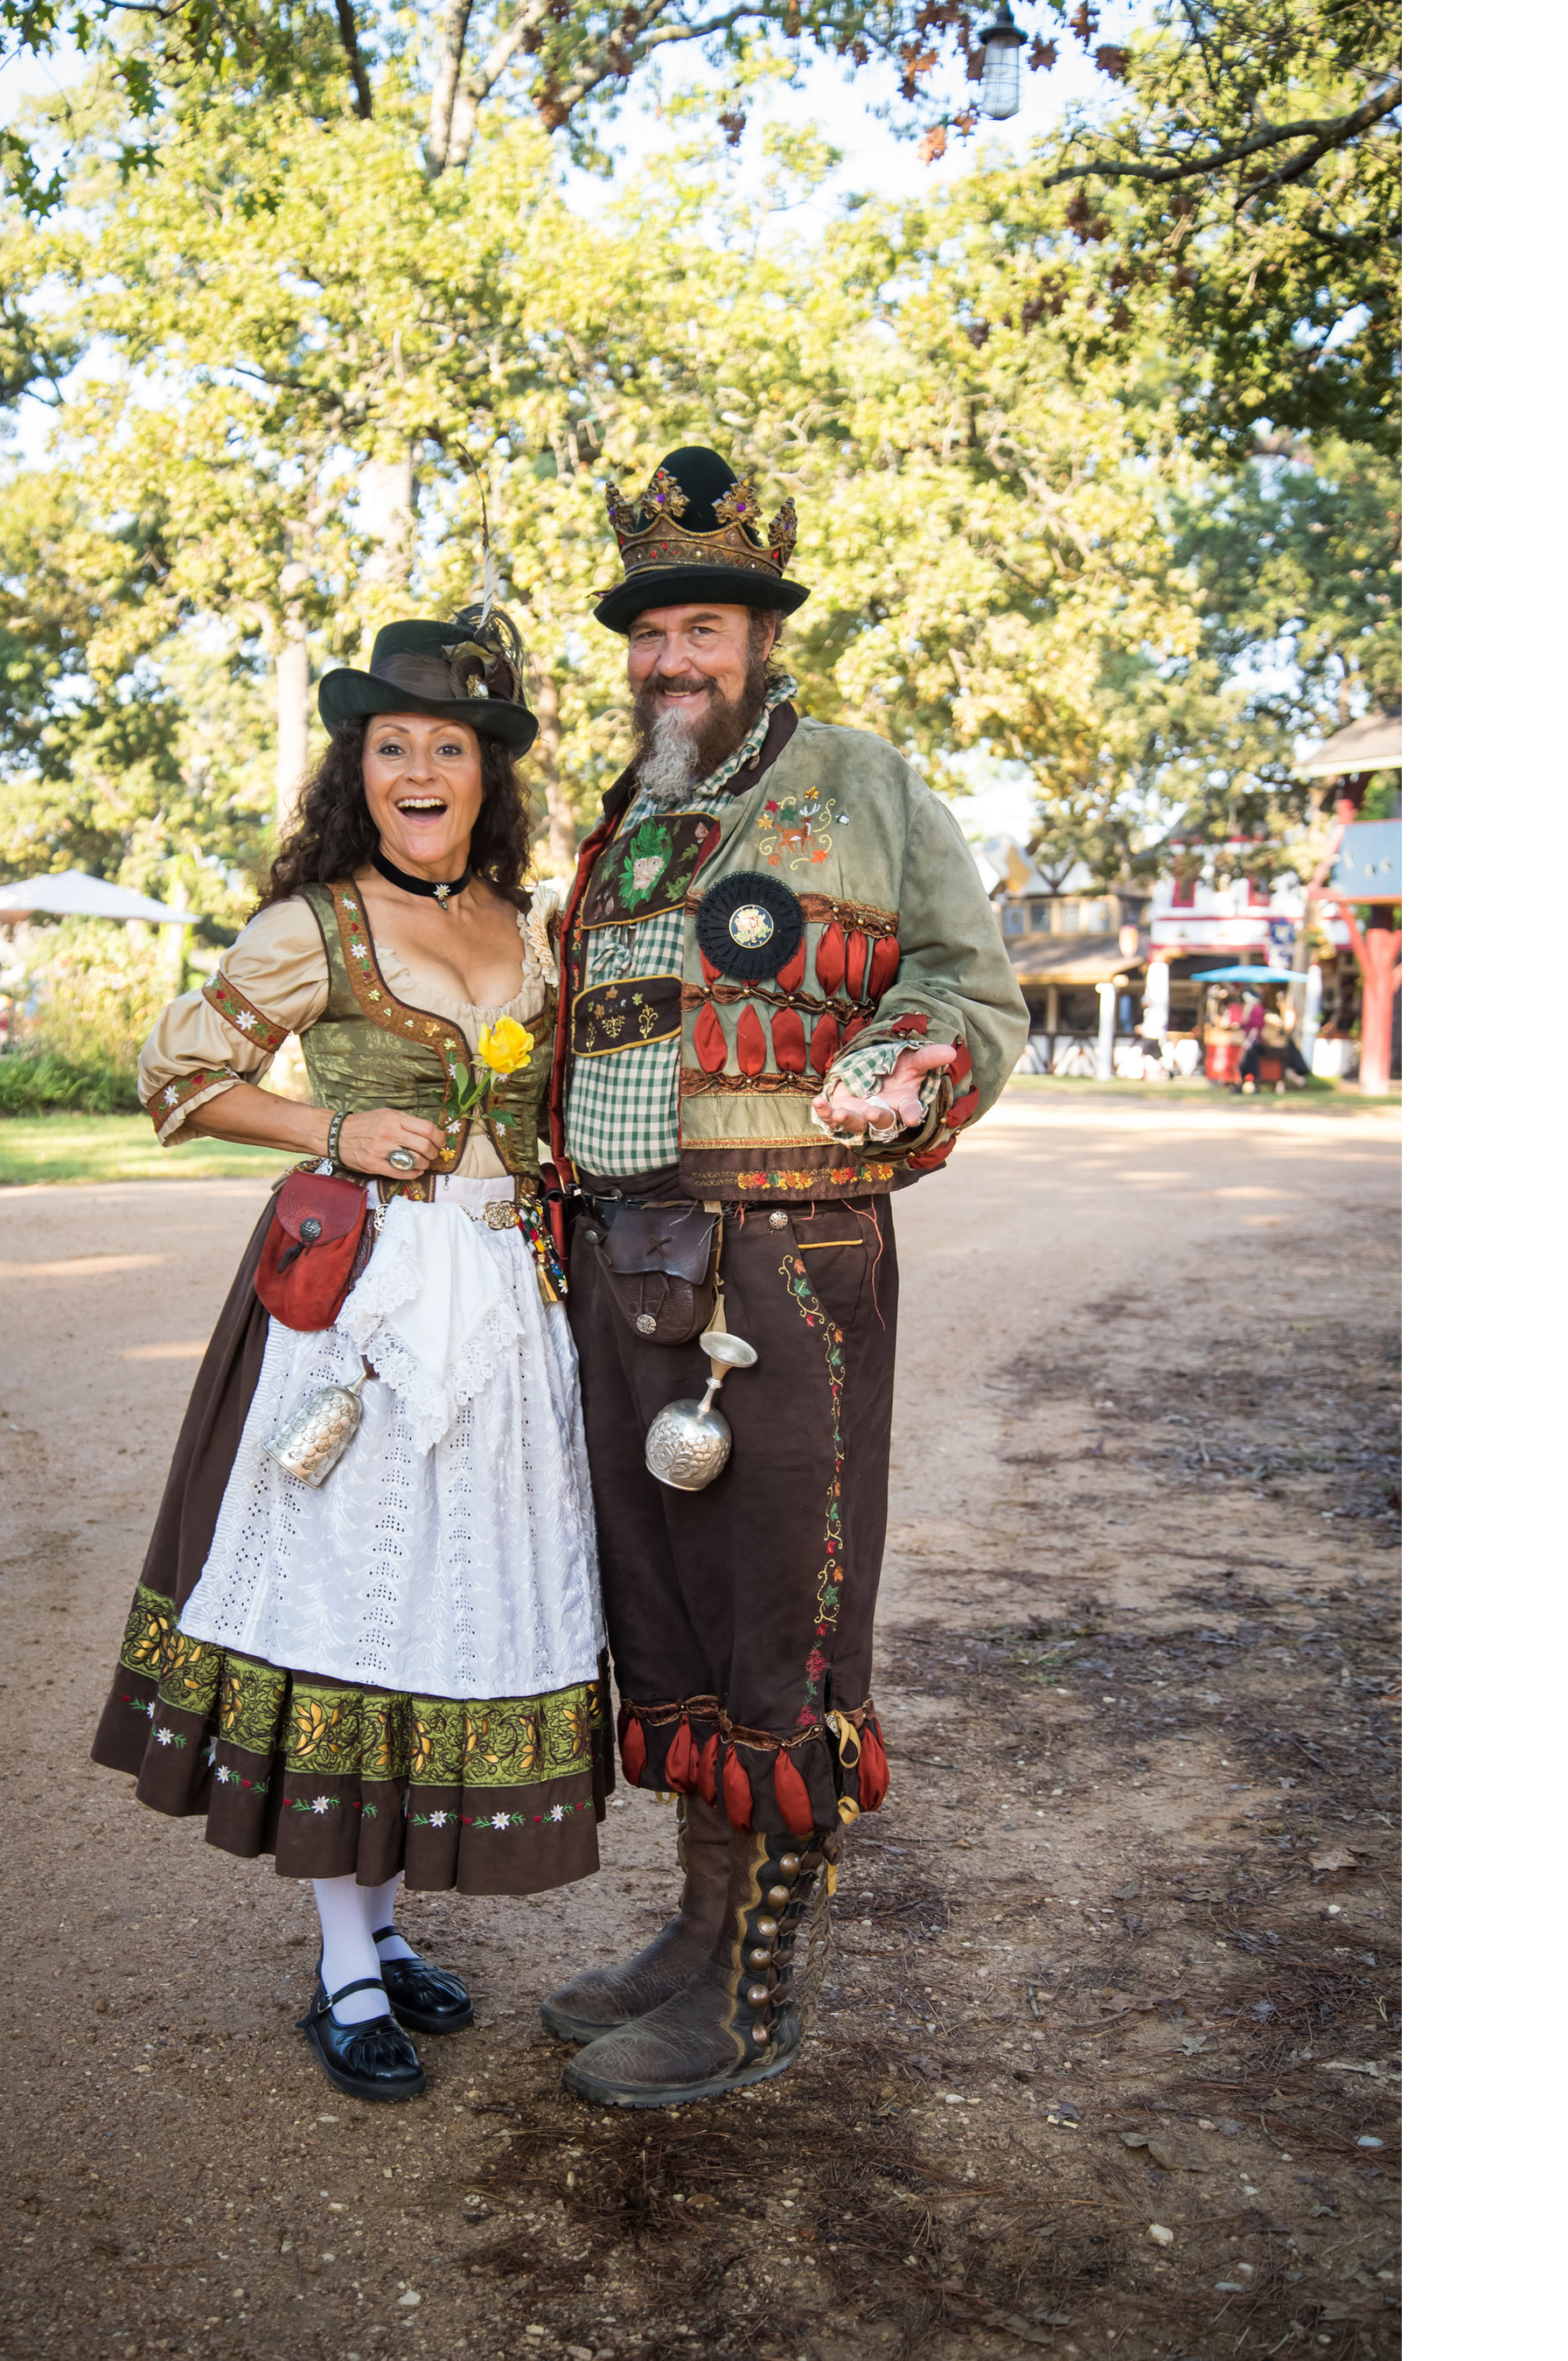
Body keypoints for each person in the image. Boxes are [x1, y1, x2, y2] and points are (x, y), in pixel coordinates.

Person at [534, 446, 1029, 2108]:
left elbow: (971, 988)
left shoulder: (864, 783)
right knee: (659, 1603)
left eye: (703, 631)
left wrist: (909, 1061)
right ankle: (689, 1932)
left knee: (781, 1622)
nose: (672, 661)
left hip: (789, 1261)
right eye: (650, 634)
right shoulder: (625, 820)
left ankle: (760, 1991)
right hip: (624, 1254)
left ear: (758, 635)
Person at [88, 607, 604, 2107]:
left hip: (508, 1306)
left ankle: (383, 1924)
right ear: (358, 769)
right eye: (395, 747)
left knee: (441, 1597)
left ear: (485, 774)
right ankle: (345, 1965)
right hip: (367, 1311)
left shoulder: (532, 925)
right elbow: (174, 1072)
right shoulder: (310, 926)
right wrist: (330, 1128)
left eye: (451, 746)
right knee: (347, 1602)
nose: (423, 769)